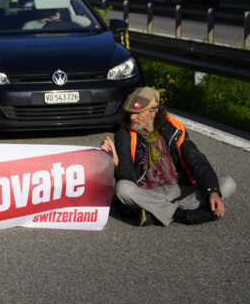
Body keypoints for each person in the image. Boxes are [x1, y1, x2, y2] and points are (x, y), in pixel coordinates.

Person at [99, 87, 236, 227]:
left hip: (179, 189)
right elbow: (128, 179)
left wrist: (212, 191)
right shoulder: (124, 134)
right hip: (147, 193)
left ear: (154, 112)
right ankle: (183, 215)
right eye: (131, 113)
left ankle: (155, 214)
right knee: (122, 189)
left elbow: (198, 162)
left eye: (138, 113)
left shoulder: (174, 130)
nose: (132, 117)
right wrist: (116, 162)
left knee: (227, 183)